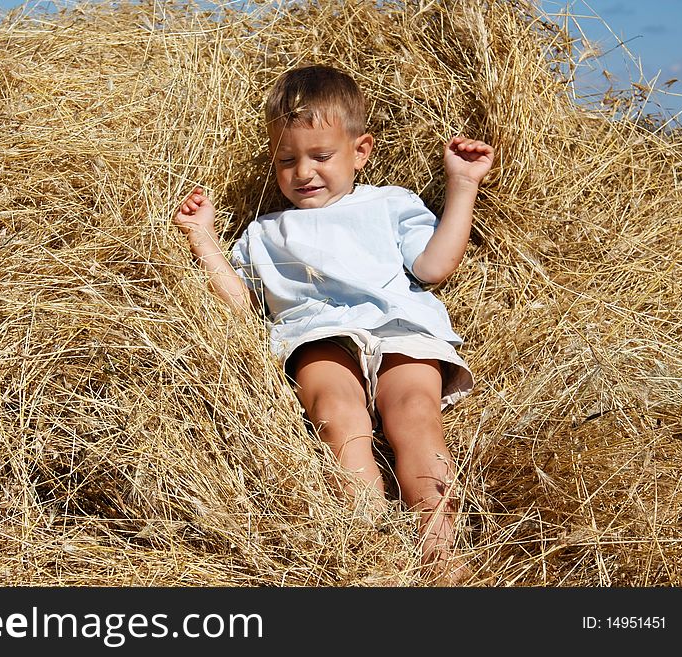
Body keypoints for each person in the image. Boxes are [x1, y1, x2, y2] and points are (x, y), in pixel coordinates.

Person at [173, 64, 494, 583]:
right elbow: (238, 303)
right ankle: (375, 548)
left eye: (321, 156)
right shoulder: (264, 232)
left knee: (414, 413)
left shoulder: (390, 205)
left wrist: (461, 185)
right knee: (337, 413)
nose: (304, 173)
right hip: (316, 335)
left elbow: (433, 268)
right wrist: (203, 239)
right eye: (287, 160)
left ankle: (441, 554)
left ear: (360, 151)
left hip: (399, 327)